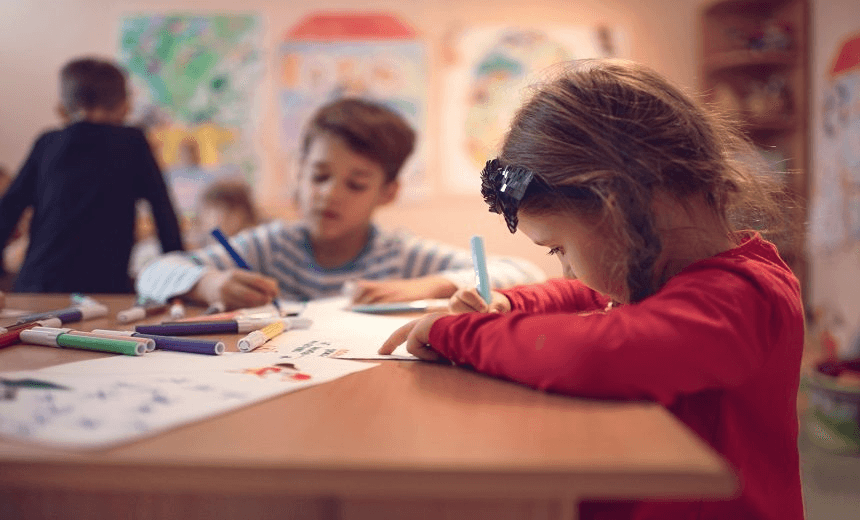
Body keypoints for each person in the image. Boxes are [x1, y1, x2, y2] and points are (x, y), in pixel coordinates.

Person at [381, 59, 804, 520]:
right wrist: (508, 303)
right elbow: (582, 296)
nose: (564, 271)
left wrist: (458, 334)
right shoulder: (664, 277)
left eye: (559, 247)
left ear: (626, 208)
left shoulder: (745, 296)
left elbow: (598, 354)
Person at [137, 98, 545, 308]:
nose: (329, 193)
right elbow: (154, 271)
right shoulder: (271, 246)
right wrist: (208, 283)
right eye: (318, 176)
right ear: (299, 172)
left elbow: (525, 271)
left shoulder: (400, 257)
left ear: (387, 192)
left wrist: (430, 285)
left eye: (356, 183)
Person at [0, 57, 183, 293]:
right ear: (124, 104)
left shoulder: (48, 142)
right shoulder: (133, 143)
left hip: (39, 281)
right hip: (102, 286)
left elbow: (9, 208)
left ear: (64, 105)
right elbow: (163, 211)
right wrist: (181, 275)